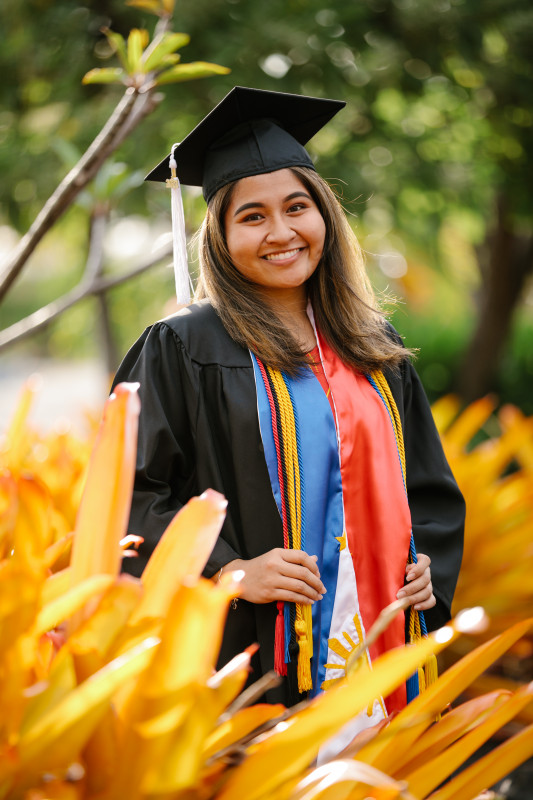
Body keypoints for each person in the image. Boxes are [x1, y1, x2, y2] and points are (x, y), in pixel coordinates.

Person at [112, 86, 465, 723]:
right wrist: (229, 572)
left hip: (383, 639)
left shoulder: (370, 343)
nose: (282, 233)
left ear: (324, 216)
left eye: (296, 207)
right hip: (253, 656)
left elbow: (428, 488)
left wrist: (427, 567)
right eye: (252, 216)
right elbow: (126, 494)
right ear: (219, 234)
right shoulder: (184, 346)